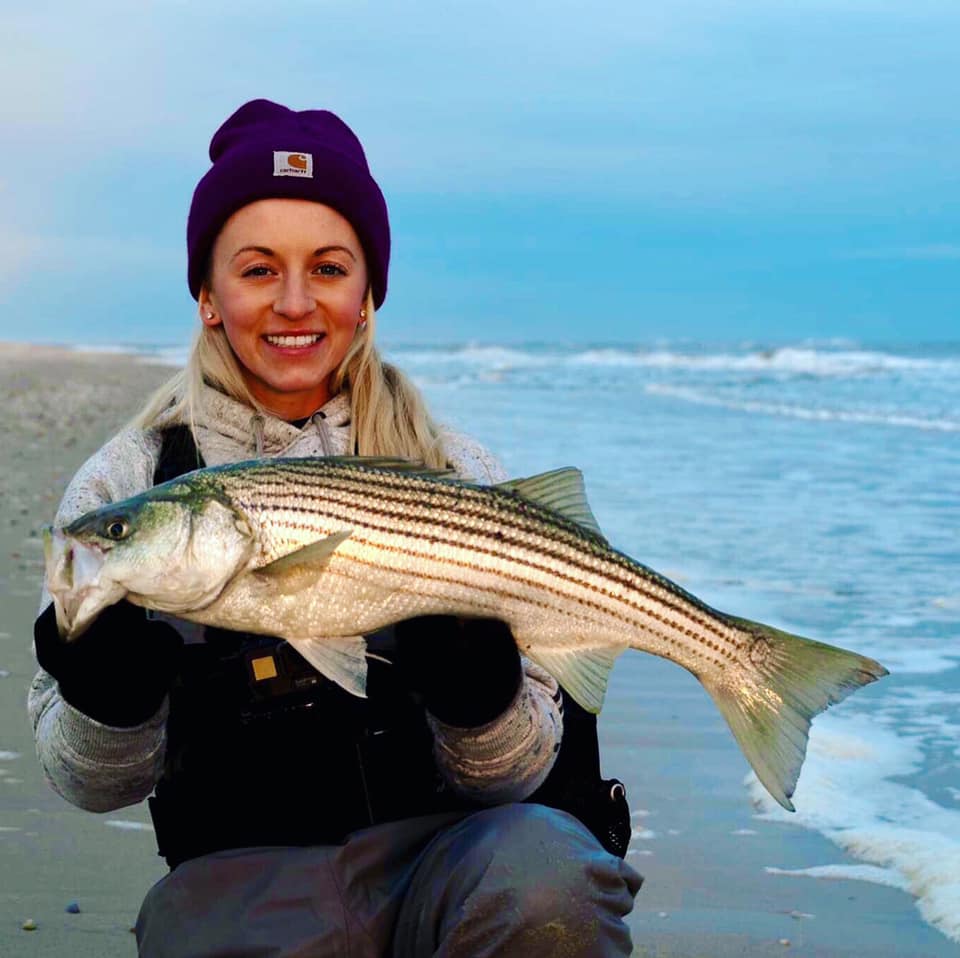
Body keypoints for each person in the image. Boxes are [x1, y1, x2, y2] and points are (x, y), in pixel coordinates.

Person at [29, 99, 642, 957]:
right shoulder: (124, 485)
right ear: (207, 294)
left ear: (367, 295)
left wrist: (478, 699)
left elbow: (524, 772)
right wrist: (110, 707)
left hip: (457, 864)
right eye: (254, 269)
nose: (292, 302)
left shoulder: (453, 468)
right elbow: (80, 781)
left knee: (549, 878)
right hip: (241, 886)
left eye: (327, 267)